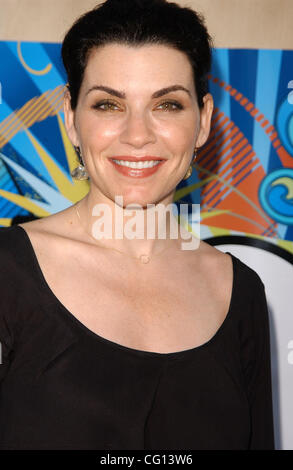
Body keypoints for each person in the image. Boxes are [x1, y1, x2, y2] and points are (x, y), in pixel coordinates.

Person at [0, 0, 275, 450]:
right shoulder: (6, 274)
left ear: (203, 121)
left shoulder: (239, 291)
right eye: (109, 105)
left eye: (167, 104)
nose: (137, 134)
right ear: (71, 118)